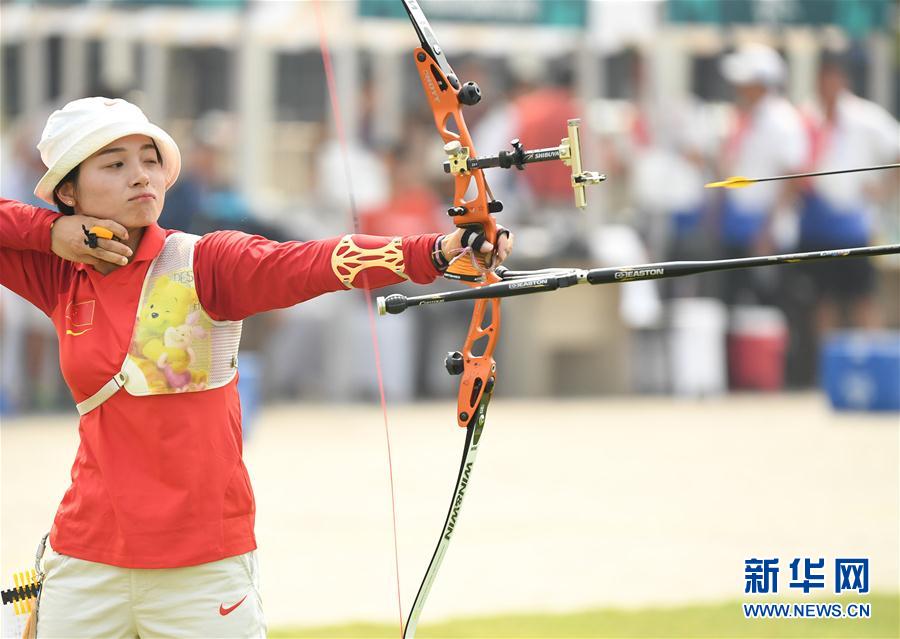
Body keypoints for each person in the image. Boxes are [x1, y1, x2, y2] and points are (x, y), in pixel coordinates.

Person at [0, 96, 513, 638]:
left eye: (149, 160)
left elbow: (309, 262)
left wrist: (435, 251)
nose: (140, 176)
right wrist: (47, 232)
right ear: (69, 192)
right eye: (114, 164)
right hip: (85, 559)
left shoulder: (204, 263)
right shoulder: (62, 276)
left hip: (203, 570)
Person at [786, 51, 900, 383]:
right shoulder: (806, 116)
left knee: (863, 299)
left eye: (833, 76)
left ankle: (877, 374)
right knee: (823, 301)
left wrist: (884, 190)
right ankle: (830, 376)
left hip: (854, 224)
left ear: (843, 79)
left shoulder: (865, 117)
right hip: (816, 221)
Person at [715, 43, 808, 304]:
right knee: (735, 305)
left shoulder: (783, 120)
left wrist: (768, 230)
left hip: (768, 235)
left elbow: (793, 177)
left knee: (770, 307)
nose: (738, 88)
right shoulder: (747, 116)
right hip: (739, 227)